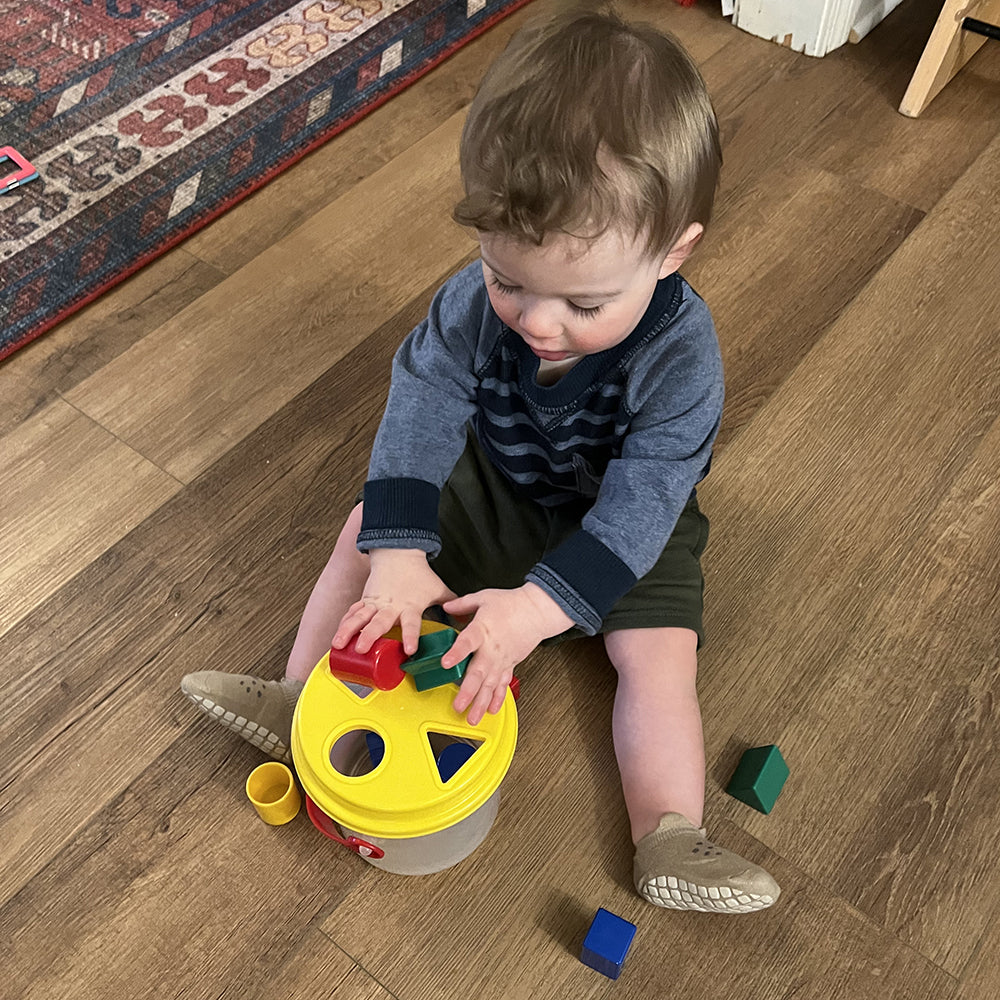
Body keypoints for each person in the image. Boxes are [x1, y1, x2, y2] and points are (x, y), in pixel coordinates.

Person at [182, 4, 780, 913]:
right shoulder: (472, 303)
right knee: (360, 535)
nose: (539, 322)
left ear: (673, 250)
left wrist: (534, 612)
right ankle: (303, 703)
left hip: (622, 525)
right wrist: (397, 558)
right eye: (510, 281)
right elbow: (421, 406)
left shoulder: (683, 358)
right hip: (497, 483)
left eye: (582, 303)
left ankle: (671, 834)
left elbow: (642, 506)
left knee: (657, 656)